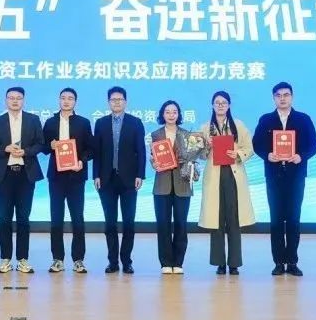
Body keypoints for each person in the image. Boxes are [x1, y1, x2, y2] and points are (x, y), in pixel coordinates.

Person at [252, 82, 316, 276]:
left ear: (292, 96)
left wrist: (301, 156)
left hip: (296, 176)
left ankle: (291, 262)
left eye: (286, 95)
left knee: (293, 220)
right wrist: (267, 155)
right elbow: (256, 144)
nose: (282, 98)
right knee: (275, 221)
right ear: (273, 98)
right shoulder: (266, 119)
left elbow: (315, 144)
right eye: (278, 95)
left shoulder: (303, 119)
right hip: (274, 176)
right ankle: (278, 262)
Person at [198, 91, 255, 275]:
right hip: (214, 177)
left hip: (233, 175)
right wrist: (207, 147)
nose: (220, 105)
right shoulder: (205, 127)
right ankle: (219, 263)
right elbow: (200, 155)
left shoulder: (238, 125)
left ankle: (234, 263)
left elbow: (249, 148)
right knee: (216, 220)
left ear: (229, 105)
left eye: (224, 102)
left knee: (233, 220)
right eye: (217, 102)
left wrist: (237, 154)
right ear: (212, 105)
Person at [0, 86, 45, 273]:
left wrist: (26, 151)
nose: (15, 101)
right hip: (4, 175)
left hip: (25, 175)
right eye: (11, 98)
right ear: (6, 100)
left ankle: (22, 259)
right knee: (4, 219)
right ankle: (5, 258)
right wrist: (5, 149)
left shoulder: (33, 119)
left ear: (23, 100)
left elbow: (40, 144)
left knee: (23, 219)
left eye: (18, 98)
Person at [93, 86, 146, 274]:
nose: (116, 102)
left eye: (120, 99)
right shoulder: (100, 123)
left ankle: (127, 261)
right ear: (108, 102)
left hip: (129, 180)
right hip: (106, 180)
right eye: (113, 100)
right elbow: (97, 152)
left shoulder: (135, 122)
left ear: (125, 102)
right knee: (110, 224)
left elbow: (141, 151)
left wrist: (140, 174)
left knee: (129, 223)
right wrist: (96, 175)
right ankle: (113, 261)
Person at [42, 87, 94, 273]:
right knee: (56, 219)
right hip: (56, 177)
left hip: (76, 176)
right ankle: (57, 259)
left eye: (70, 98)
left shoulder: (83, 123)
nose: (66, 101)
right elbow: (43, 147)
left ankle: (78, 259)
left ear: (75, 102)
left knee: (77, 219)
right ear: (59, 100)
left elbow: (90, 149)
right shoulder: (50, 122)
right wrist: (50, 145)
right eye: (63, 98)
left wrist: (81, 161)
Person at [150, 100, 196, 274]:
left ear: (179, 114)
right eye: (167, 112)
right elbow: (153, 157)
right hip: (162, 184)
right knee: (163, 224)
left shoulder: (187, 134)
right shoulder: (155, 134)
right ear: (162, 114)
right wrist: (154, 163)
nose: (171, 115)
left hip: (182, 184)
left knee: (181, 224)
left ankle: (178, 262)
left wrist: (190, 160)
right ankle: (165, 262)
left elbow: (193, 157)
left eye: (174, 112)